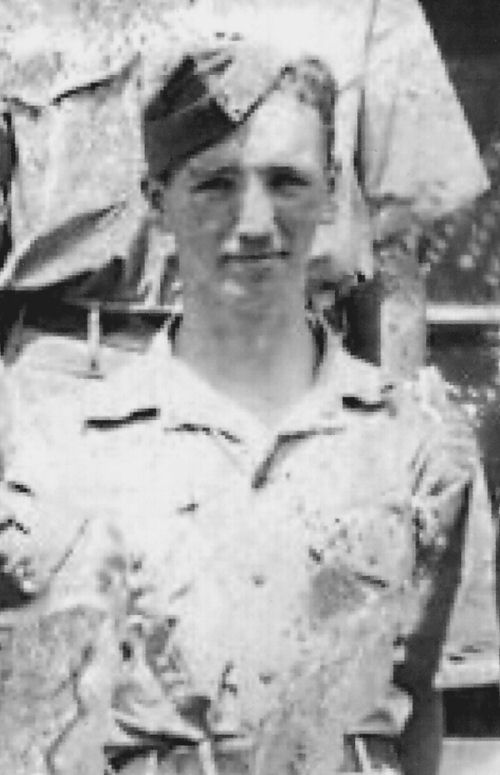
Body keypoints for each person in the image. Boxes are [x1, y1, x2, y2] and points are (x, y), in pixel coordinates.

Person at [0, 29, 494, 775]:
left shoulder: (413, 449)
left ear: (328, 188)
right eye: (217, 184)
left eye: (286, 182)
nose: (254, 220)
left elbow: (415, 697)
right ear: (156, 200)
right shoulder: (55, 456)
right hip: (67, 377)